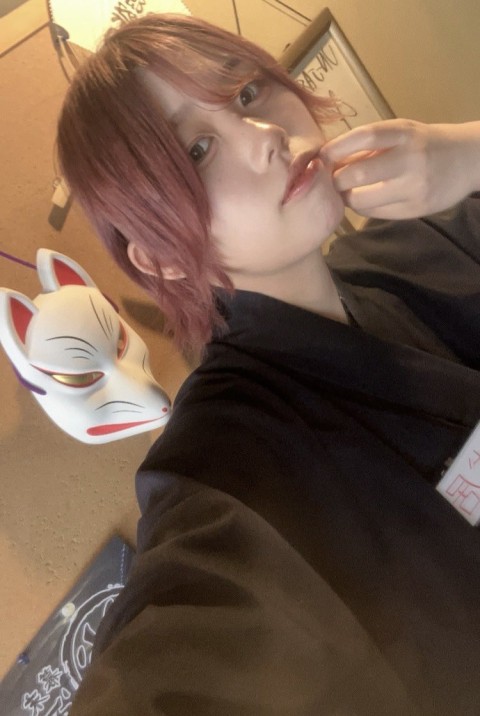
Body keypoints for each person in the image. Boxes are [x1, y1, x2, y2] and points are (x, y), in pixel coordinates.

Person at [56, 13, 480, 716]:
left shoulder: (414, 251)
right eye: (198, 149)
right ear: (159, 259)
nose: (263, 136)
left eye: (247, 93)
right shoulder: (224, 472)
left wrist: (470, 152)